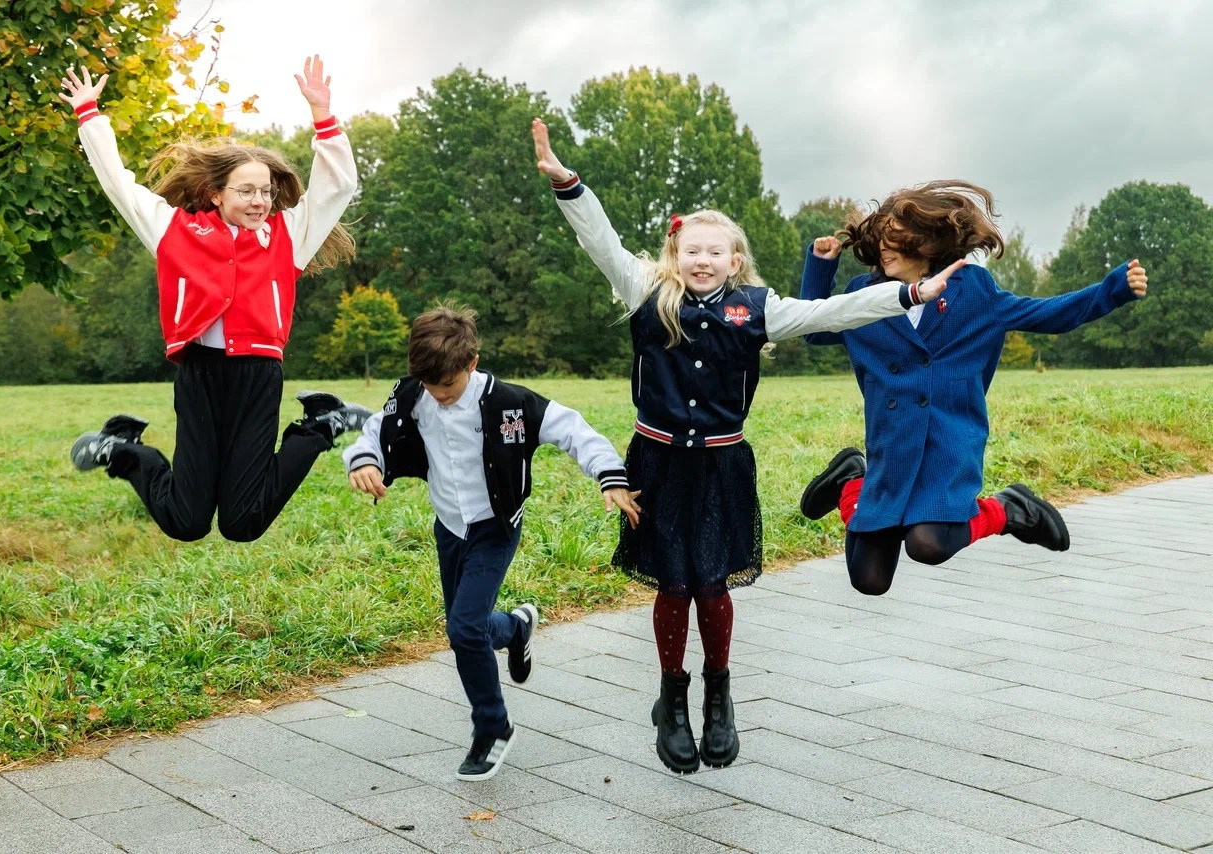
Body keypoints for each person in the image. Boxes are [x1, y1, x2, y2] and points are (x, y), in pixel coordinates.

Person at [530, 118, 961, 774]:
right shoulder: (647, 294)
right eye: (690, 250)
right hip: (658, 463)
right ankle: (672, 695)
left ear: (735, 261)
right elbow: (602, 242)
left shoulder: (758, 309)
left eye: (714, 252)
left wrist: (907, 293)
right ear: (675, 257)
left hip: (723, 464)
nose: (701, 260)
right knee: (674, 584)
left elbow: (830, 315)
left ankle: (718, 696)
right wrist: (568, 183)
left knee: (713, 584)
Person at [59, 58, 371, 542]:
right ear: (215, 193)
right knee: (187, 522)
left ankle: (321, 426)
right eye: (246, 191)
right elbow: (119, 186)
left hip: (258, 378)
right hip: (199, 376)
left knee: (242, 524)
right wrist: (90, 117)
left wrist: (323, 118)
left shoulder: (288, 236)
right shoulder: (174, 231)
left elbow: (338, 187)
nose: (259, 201)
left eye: (266, 192)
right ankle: (122, 449)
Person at [798, 180, 1148, 596]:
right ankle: (850, 481)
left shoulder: (975, 292)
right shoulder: (865, 295)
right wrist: (821, 268)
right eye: (881, 240)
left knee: (928, 544)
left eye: (895, 240)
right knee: (869, 580)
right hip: (892, 446)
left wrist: (1113, 290)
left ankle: (1010, 509)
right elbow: (816, 330)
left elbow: (1049, 313)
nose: (884, 249)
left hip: (947, 444)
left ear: (927, 242)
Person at [343, 304, 641, 781]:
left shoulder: (511, 403)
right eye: (430, 387)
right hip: (449, 527)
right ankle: (517, 627)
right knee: (471, 626)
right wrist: (363, 461)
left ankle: (494, 728)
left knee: (462, 631)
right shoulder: (415, 395)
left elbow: (575, 431)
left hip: (495, 527)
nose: (439, 396)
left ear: (472, 362)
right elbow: (377, 430)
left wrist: (609, 477)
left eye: (448, 386)